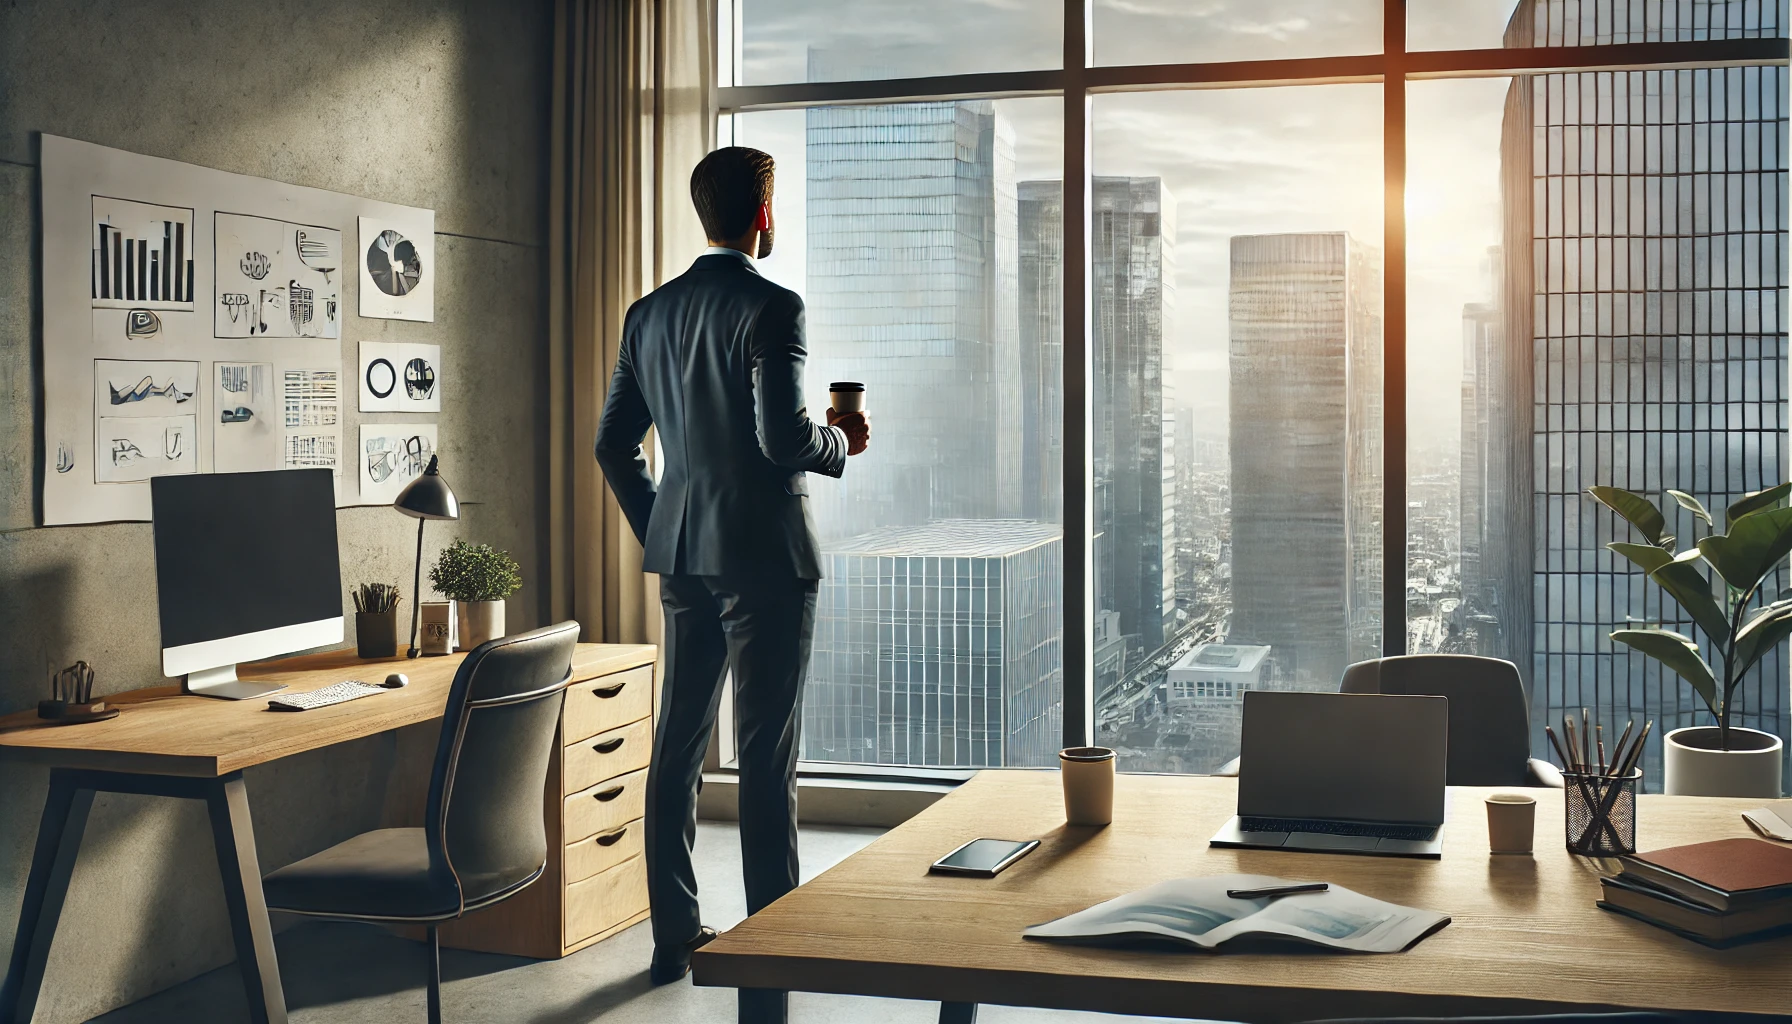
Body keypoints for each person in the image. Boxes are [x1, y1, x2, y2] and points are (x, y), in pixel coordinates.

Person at [593, 146, 870, 1023]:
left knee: (677, 747)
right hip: (765, 558)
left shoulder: (648, 314)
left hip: (684, 556)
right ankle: (765, 973)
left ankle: (676, 933)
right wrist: (843, 444)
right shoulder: (771, 306)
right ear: (764, 214)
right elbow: (785, 441)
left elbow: (613, 445)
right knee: (764, 762)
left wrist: (666, 525)